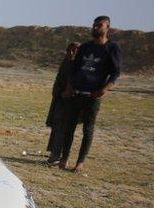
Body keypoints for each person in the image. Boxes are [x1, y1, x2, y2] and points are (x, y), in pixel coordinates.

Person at [47, 15, 121, 173]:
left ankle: (80, 162)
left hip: (93, 96)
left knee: (88, 129)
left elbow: (115, 72)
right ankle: (64, 158)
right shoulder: (86, 48)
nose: (95, 28)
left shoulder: (112, 48)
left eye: (99, 25)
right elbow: (74, 70)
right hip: (76, 93)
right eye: (94, 25)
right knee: (70, 127)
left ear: (107, 28)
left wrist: (104, 89)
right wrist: (69, 87)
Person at [46, 42, 80, 153]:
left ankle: (59, 153)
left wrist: (69, 92)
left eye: (74, 51)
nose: (70, 53)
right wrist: (58, 92)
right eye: (69, 51)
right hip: (59, 98)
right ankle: (53, 150)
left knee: (64, 127)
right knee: (56, 124)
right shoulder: (65, 63)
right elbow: (59, 78)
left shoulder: (78, 66)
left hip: (70, 101)